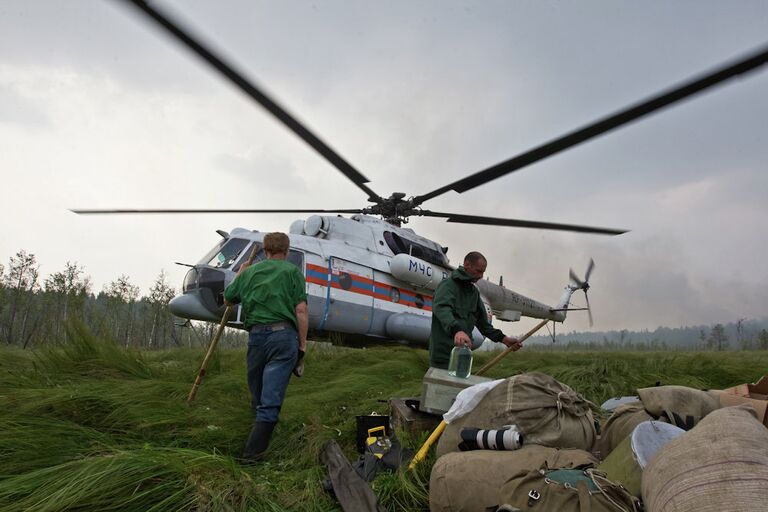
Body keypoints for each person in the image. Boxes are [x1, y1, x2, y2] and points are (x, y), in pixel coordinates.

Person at [224, 232, 308, 462]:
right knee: (269, 399)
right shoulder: (293, 273)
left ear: (265, 250)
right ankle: (252, 456)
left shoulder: (249, 272)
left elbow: (229, 299)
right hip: (283, 337)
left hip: (257, 338)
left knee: (258, 394)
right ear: (287, 251)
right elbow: (300, 311)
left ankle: (257, 442)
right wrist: (302, 346)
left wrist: (239, 275)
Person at [429, 251, 522, 369]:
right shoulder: (447, 286)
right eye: (478, 271)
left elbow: (484, 325)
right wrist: (457, 330)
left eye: (483, 272)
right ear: (467, 265)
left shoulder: (474, 293)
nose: (481, 276)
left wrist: (504, 339)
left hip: (463, 357)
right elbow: (442, 309)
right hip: (443, 358)